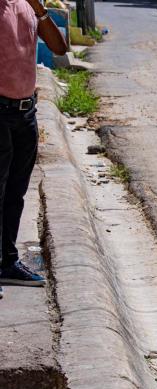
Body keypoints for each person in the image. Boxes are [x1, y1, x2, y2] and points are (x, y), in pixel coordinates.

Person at [0, 0, 67, 299]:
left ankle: (8, 263)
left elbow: (59, 48)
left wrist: (40, 11)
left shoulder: (27, 6)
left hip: (26, 112)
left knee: (15, 193)